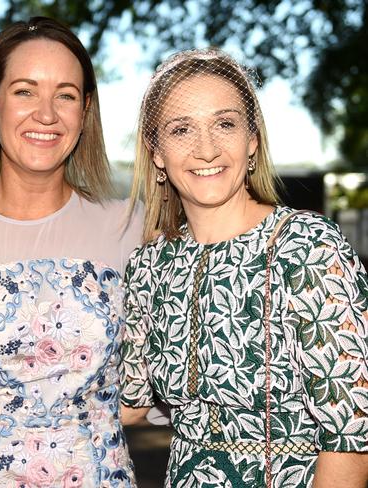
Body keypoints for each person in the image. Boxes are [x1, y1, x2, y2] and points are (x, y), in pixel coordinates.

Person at [120, 48, 368, 487]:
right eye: (181, 129)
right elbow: (129, 401)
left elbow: (352, 434)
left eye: (225, 123)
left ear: (252, 139)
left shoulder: (308, 247)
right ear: (155, 152)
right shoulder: (149, 267)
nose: (207, 148)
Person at [0, 16, 139, 487]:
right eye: (25, 91)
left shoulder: (131, 226)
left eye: (65, 95)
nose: (46, 114)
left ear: (84, 111)